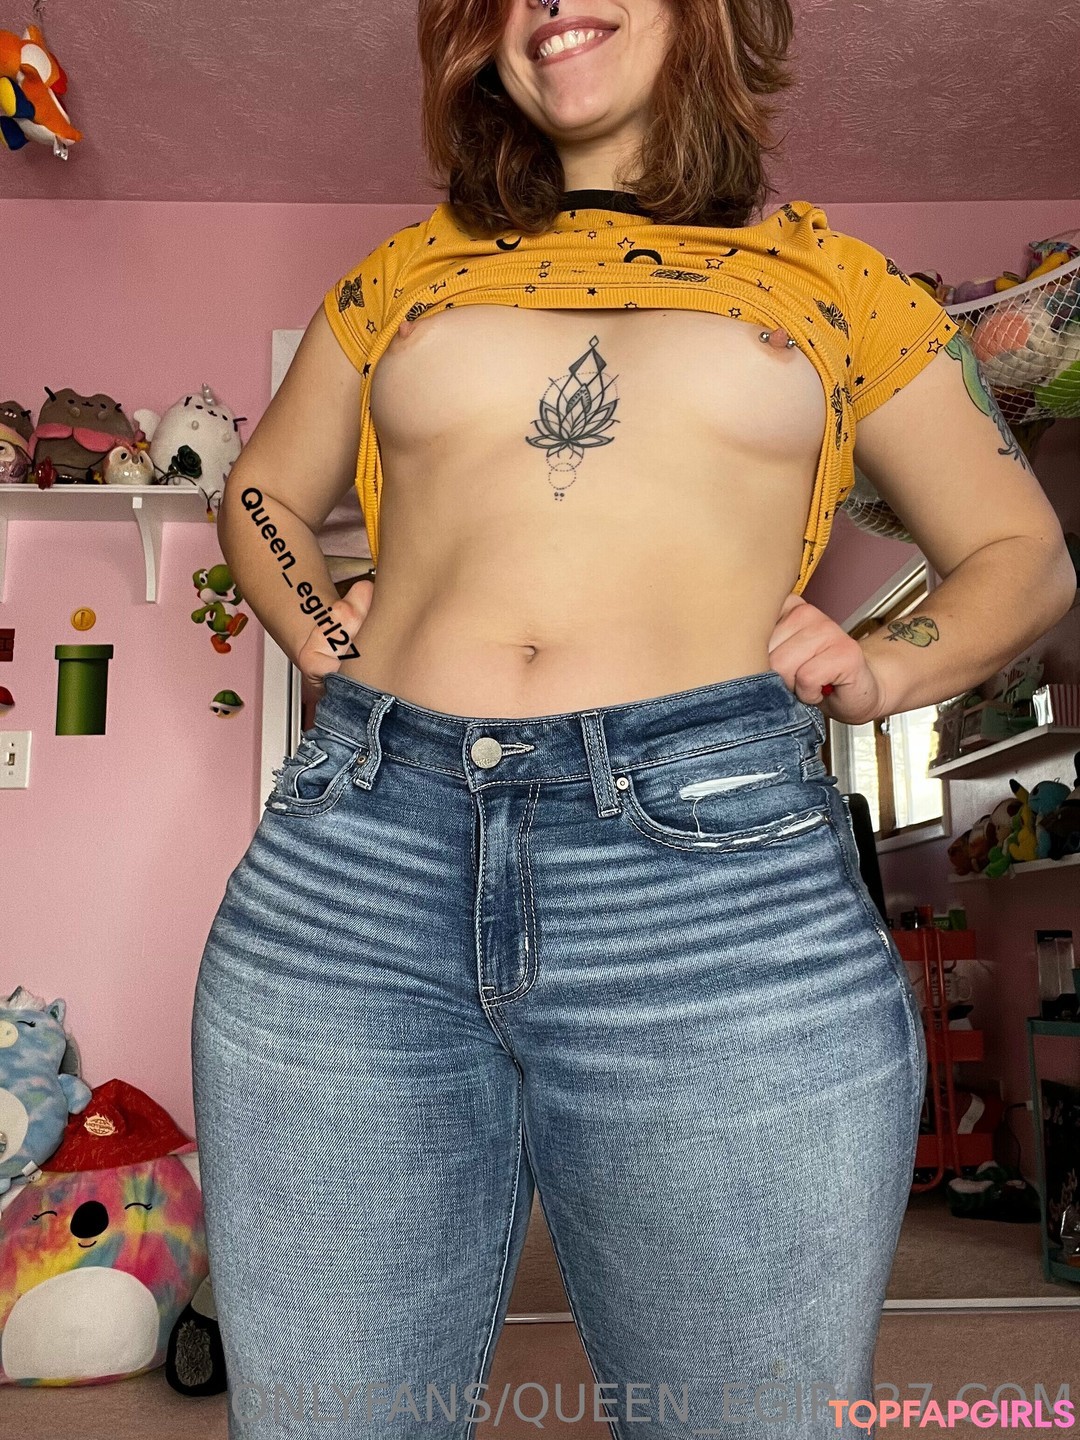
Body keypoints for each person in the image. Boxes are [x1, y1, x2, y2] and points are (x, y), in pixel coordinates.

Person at [191, 2, 1076, 1437]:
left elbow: (1021, 553)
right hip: (358, 865)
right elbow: (261, 492)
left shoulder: (839, 285)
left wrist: (880, 664)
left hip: (710, 882)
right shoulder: (403, 276)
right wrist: (316, 626)